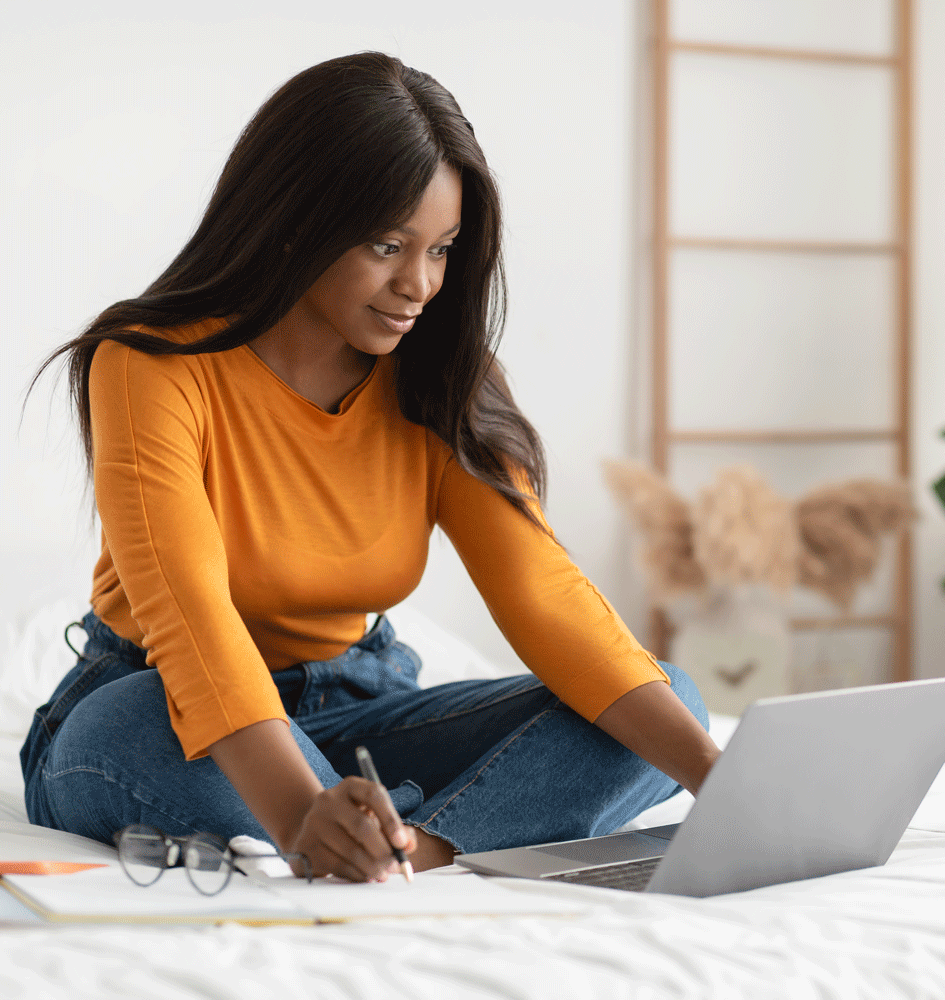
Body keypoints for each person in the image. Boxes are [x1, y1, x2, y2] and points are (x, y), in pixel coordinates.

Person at [21, 51, 718, 883]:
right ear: (294, 219)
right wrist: (297, 814)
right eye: (388, 245)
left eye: (443, 249)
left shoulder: (444, 375)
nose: (419, 284)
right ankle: (355, 826)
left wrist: (726, 784)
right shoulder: (150, 365)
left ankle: (408, 847)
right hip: (159, 699)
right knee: (124, 724)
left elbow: (544, 595)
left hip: (359, 703)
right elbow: (190, 619)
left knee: (668, 695)